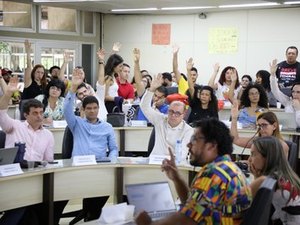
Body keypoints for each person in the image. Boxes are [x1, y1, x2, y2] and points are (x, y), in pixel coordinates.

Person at [135, 118, 252, 225]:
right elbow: (194, 208)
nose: (188, 144)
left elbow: (187, 219)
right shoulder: (227, 168)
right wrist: (176, 178)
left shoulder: (214, 173)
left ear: (211, 146)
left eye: (194, 139)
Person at [62, 67, 119, 221]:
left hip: (100, 166)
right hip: (79, 166)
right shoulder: (76, 123)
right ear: (83, 109)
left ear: (98, 109)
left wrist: (112, 160)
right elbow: (66, 109)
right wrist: (72, 89)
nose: (92, 111)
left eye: (95, 108)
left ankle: (91, 214)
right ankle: (91, 214)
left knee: (112, 184)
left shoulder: (107, 127)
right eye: (89, 108)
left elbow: (113, 149)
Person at [0, 76, 54, 225]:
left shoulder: (48, 135)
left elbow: (48, 161)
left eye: (41, 113)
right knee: (21, 204)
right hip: (14, 175)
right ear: (26, 115)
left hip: (35, 176)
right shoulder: (15, 126)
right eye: (35, 113)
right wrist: (8, 94)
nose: (39, 116)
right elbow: (1, 113)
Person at [140, 73, 193, 158]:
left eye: (177, 113)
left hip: (174, 165)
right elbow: (144, 107)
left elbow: (182, 154)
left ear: (184, 114)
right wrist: (151, 90)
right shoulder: (160, 119)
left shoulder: (188, 130)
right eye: (171, 111)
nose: (173, 115)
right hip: (154, 162)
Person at [249, 136, 300, 224]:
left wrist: (256, 179)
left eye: (253, 154)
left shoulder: (264, 180)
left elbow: (243, 210)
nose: (249, 159)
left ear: (267, 157)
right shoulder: (285, 177)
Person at [133, 48, 169, 122]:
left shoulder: (168, 109)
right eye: (155, 96)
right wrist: (136, 63)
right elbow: (138, 81)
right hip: (139, 130)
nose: (156, 99)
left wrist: (154, 109)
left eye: (159, 97)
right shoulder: (146, 99)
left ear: (165, 98)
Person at [186, 58, 218, 125]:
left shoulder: (213, 110)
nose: (204, 96)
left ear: (210, 98)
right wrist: (188, 70)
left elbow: (210, 87)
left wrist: (215, 72)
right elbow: (191, 87)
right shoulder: (195, 103)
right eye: (202, 94)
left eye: (206, 95)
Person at [270, 59, 300, 127]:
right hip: (288, 134)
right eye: (293, 92)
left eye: (298, 92)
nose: (295, 94)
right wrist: (273, 75)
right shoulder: (288, 102)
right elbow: (275, 90)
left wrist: (298, 109)